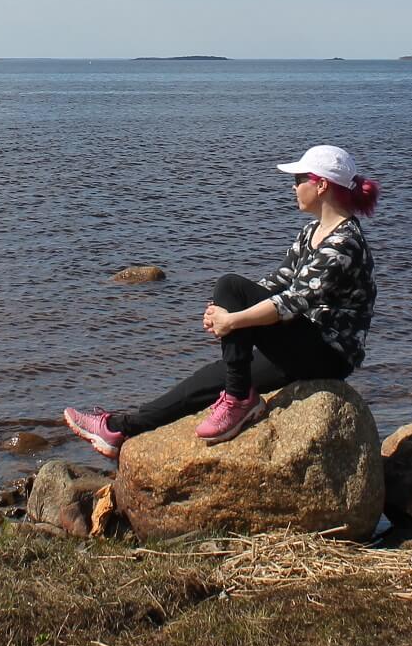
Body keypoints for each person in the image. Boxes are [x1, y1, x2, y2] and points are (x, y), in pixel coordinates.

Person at [64, 144, 379, 457]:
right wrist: (226, 312)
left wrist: (233, 319)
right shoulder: (313, 231)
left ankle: (240, 400)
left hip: (328, 353)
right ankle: (120, 428)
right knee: (215, 376)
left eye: (298, 180)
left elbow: (292, 302)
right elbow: (278, 282)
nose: (294, 187)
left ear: (321, 185)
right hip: (302, 343)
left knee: (229, 285)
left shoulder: (343, 244)